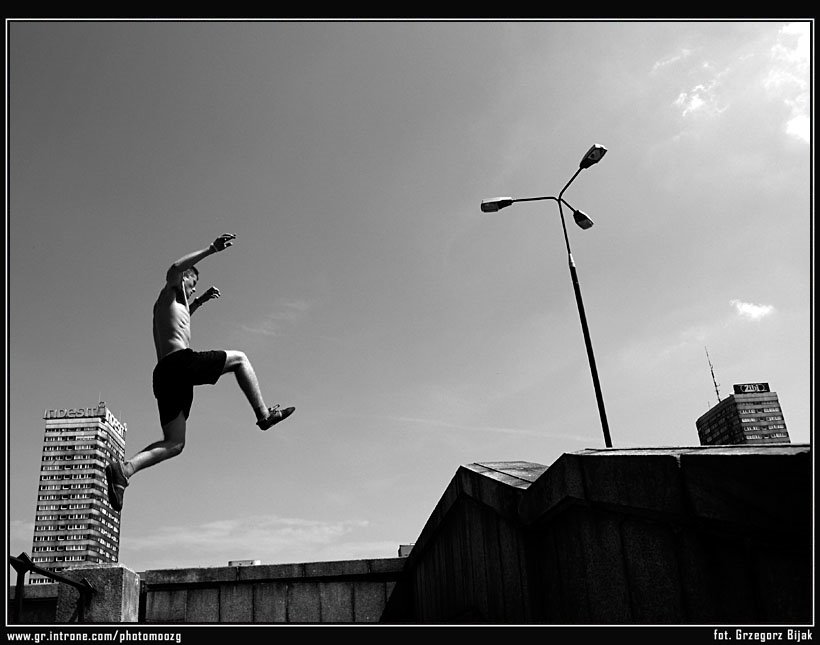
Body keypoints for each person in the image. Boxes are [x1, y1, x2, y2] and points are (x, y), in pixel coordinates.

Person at [105, 233, 295, 511]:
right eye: (193, 285)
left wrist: (201, 302)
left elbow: (181, 321)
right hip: (179, 363)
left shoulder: (171, 307)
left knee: (175, 443)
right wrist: (211, 249)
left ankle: (125, 470)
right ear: (184, 279)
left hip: (165, 373)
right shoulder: (169, 290)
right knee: (241, 359)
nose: (193, 290)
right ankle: (264, 416)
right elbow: (173, 269)